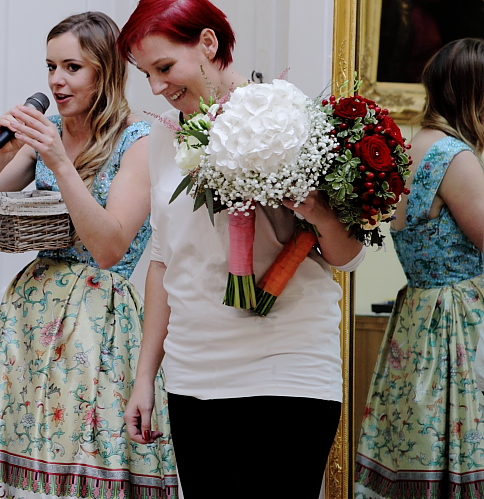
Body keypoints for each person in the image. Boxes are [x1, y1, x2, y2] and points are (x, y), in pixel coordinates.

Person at [116, 0, 366, 496]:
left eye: (164, 67)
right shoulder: (161, 140)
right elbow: (164, 261)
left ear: (208, 44)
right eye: (146, 75)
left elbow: (350, 256)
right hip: (193, 374)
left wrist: (317, 211)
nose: (157, 88)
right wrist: (145, 377)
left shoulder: (289, 116)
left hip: (287, 366)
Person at [0, 11, 178, 499]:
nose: (56, 80)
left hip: (97, 319)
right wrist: (4, 152)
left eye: (72, 67)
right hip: (28, 316)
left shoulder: (138, 141)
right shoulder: (47, 133)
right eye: (51, 66)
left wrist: (58, 161)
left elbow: (110, 248)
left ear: (105, 71)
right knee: (20, 445)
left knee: (78, 451)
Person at [354, 38, 484, 498]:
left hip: (419, 317)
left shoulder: (413, 149)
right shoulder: (455, 157)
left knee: (424, 448)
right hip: (459, 323)